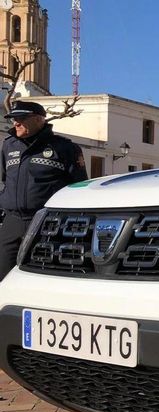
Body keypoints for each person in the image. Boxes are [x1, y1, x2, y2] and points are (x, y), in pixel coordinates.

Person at [0, 101, 87, 280]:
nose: (16, 122)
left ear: (40, 120)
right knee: (3, 276)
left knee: (40, 275)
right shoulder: (8, 146)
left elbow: (79, 187)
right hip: (12, 223)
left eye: (22, 118)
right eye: (14, 118)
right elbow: (4, 180)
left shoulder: (65, 148)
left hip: (46, 224)